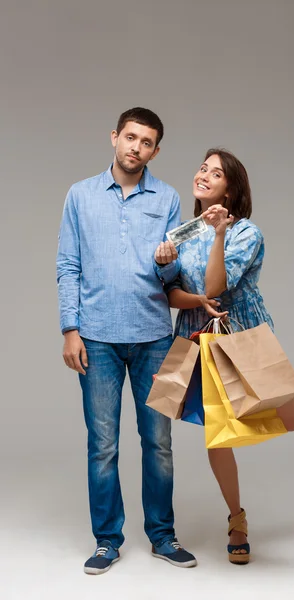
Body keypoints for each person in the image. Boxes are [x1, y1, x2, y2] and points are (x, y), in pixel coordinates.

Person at [154, 148, 294, 565]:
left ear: (232, 188)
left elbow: (218, 286)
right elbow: (171, 293)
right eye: (202, 167)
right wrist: (164, 260)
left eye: (216, 173)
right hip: (195, 339)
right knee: (216, 433)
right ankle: (237, 520)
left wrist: (219, 236)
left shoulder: (246, 232)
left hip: (240, 338)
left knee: (284, 417)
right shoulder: (183, 230)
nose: (203, 175)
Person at [56, 107, 197, 574]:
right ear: (114, 137)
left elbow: (173, 275)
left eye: (147, 142)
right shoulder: (80, 195)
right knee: (103, 444)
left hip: (154, 336)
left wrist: (166, 261)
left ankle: (162, 535)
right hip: (95, 338)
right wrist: (69, 329)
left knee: (158, 441)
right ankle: (106, 540)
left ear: (156, 150)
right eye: (130, 137)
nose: (136, 147)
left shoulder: (169, 198)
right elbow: (68, 267)